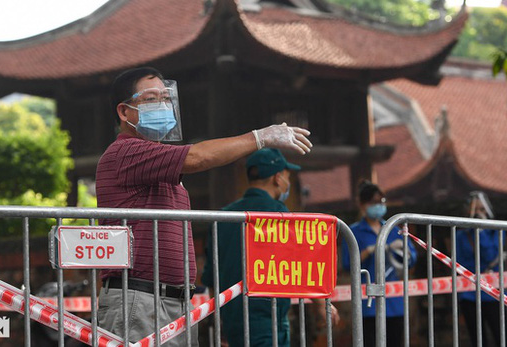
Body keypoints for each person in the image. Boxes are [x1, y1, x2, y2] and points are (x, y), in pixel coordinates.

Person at [95, 67, 313, 346]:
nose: (162, 105)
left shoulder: (160, 165)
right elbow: (197, 157)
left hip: (172, 299)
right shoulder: (126, 152)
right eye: (151, 99)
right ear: (124, 112)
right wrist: (259, 138)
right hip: (141, 297)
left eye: (166, 98)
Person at [201, 148, 338, 347]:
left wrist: (219, 322)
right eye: (287, 177)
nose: (287, 183)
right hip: (266, 316)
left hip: (231, 318)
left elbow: (211, 274)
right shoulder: (278, 214)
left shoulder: (223, 216)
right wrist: (321, 305)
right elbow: (298, 265)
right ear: (277, 178)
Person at [341, 180, 416, 347]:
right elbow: (347, 264)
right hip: (368, 305)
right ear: (362, 204)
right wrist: (368, 251)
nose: (378, 205)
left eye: (381, 201)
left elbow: (412, 258)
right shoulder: (353, 232)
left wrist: (404, 252)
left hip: (395, 302)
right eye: (373, 202)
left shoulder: (394, 228)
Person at [456, 191, 507, 347]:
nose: (478, 213)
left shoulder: (497, 231)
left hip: (494, 293)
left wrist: (480, 233)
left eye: (481, 209)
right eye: (475, 210)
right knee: (478, 339)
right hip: (469, 294)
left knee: (502, 336)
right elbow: (460, 262)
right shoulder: (460, 235)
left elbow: (490, 255)